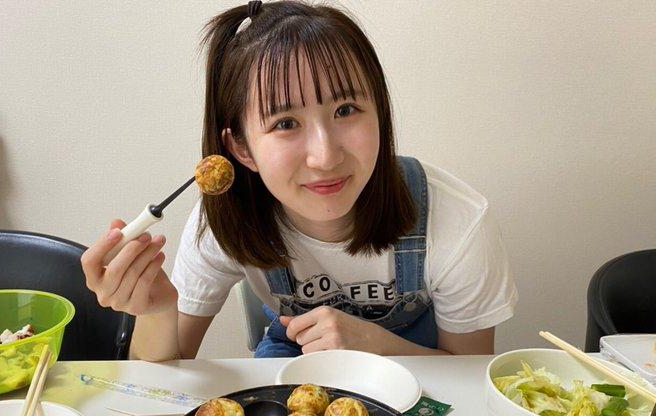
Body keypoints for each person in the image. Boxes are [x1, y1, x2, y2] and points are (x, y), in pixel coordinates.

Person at [81, 0, 518, 361]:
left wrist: (375, 345)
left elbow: (470, 372)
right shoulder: (224, 220)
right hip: (293, 360)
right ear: (241, 148)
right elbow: (161, 383)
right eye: (286, 123)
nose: (325, 157)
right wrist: (157, 311)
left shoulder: (457, 220)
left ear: (380, 113)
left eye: (345, 110)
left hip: (421, 365)